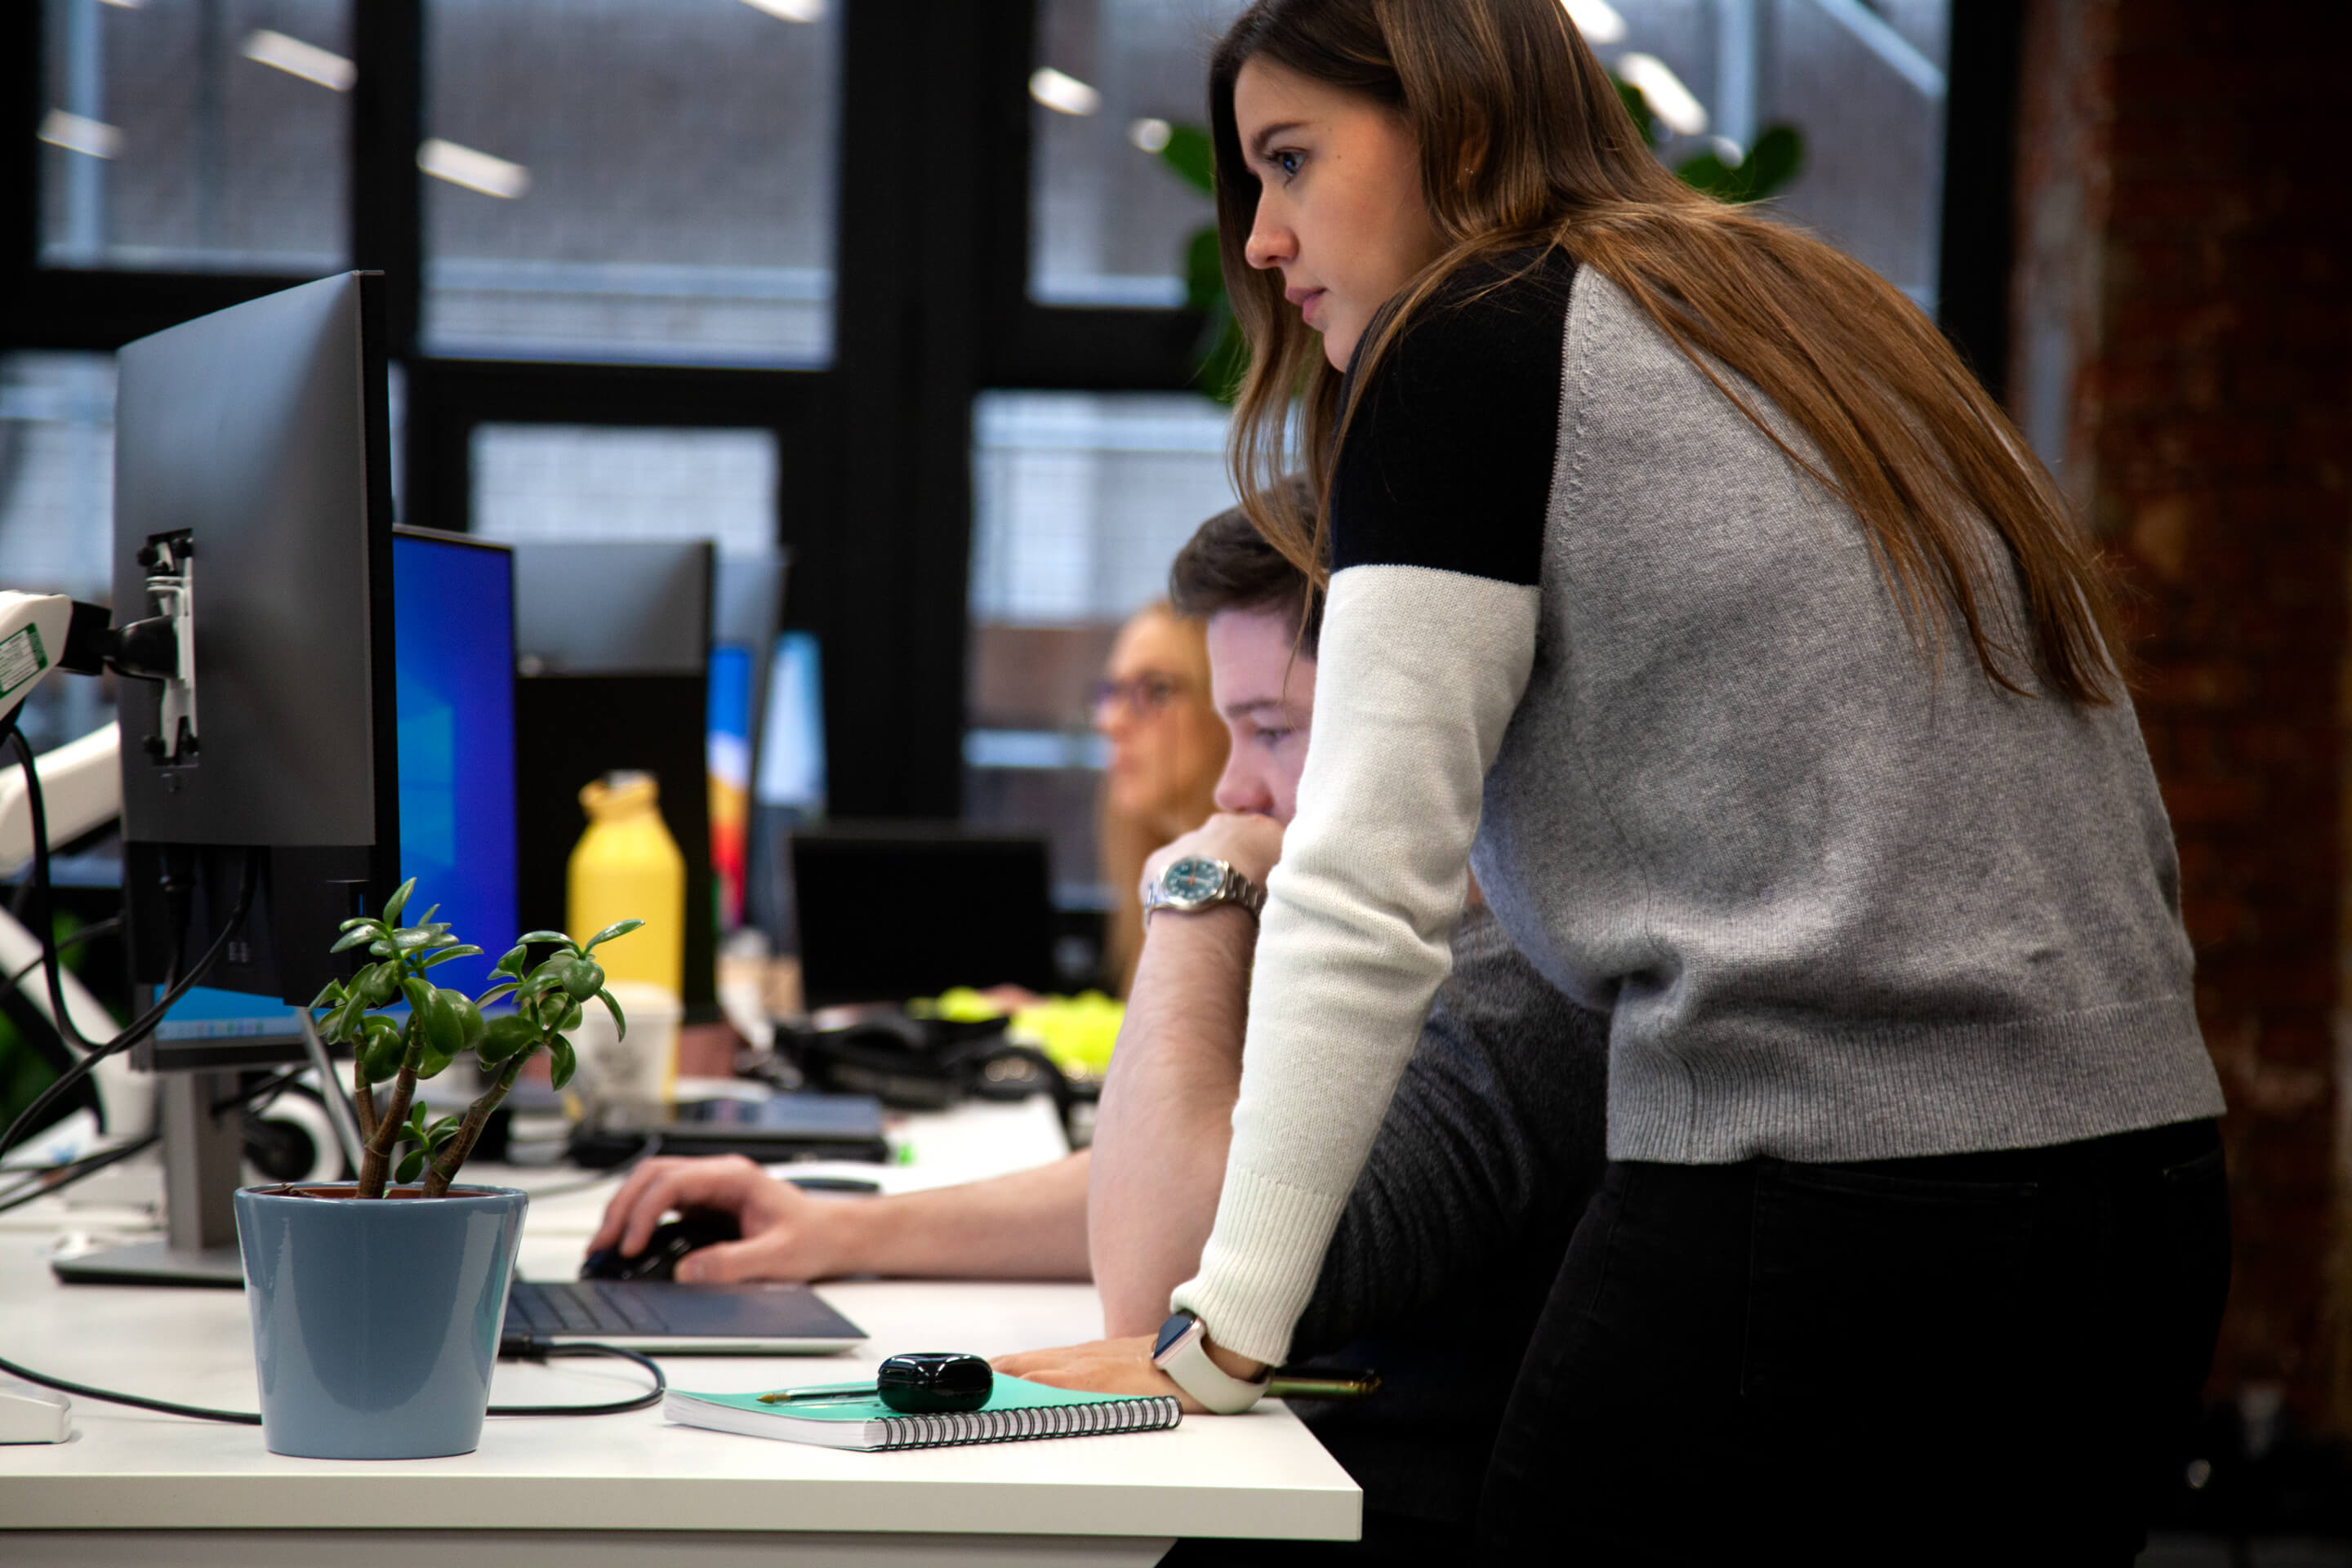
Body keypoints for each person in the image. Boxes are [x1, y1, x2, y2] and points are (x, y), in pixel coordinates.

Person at [1006, 3, 2230, 1562]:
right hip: (2146, 1200)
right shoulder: (1808, 306)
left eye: (1293, 160)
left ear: (1449, 119)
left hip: (1825, 1197)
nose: (1261, 237)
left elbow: (1366, 881)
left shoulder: (1464, 341)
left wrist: (1223, 1333)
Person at [588, 502, 1608, 1547]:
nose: (1231, 784)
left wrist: (1202, 890)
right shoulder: (1450, 964)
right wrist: (839, 1229)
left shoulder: (1513, 995)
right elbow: (1207, 1180)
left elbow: (1157, 1286)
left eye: (1272, 728)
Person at [1094, 601, 1228, 996]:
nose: (1110, 721)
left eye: (1155, 690)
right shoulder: (1157, 872)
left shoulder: (1259, 897)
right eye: (1111, 691)